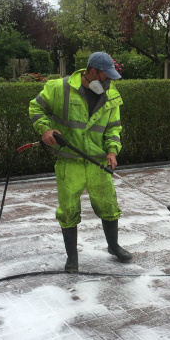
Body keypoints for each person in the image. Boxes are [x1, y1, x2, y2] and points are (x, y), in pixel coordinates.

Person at [29, 52, 132, 273]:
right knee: (67, 210)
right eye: (106, 77)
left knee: (108, 206)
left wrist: (113, 151)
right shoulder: (59, 88)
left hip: (97, 163)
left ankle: (113, 247)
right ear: (93, 72)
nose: (108, 82)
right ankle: (72, 258)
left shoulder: (111, 94)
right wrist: (45, 129)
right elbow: (36, 108)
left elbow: (114, 127)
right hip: (69, 162)